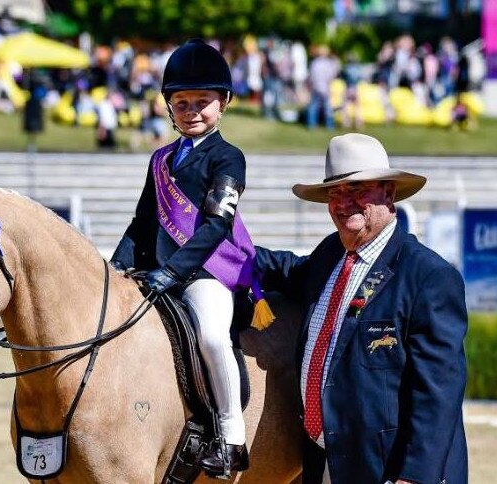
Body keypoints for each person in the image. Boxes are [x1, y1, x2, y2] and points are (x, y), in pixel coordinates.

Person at [255, 133, 468, 484]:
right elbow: (286, 269)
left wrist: (414, 477)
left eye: (358, 190)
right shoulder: (329, 256)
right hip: (326, 463)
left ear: (389, 192)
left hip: (390, 471)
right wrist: (226, 248)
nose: (344, 202)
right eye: (334, 193)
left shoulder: (429, 277)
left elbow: (438, 394)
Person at [110, 38, 258, 477]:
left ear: (224, 103)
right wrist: (116, 269)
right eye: (182, 102)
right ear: (169, 106)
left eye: (202, 101)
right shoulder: (160, 160)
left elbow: (215, 226)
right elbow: (141, 223)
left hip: (205, 271)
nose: (192, 110)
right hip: (154, 271)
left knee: (212, 336)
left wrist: (172, 272)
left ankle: (232, 438)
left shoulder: (229, 157)